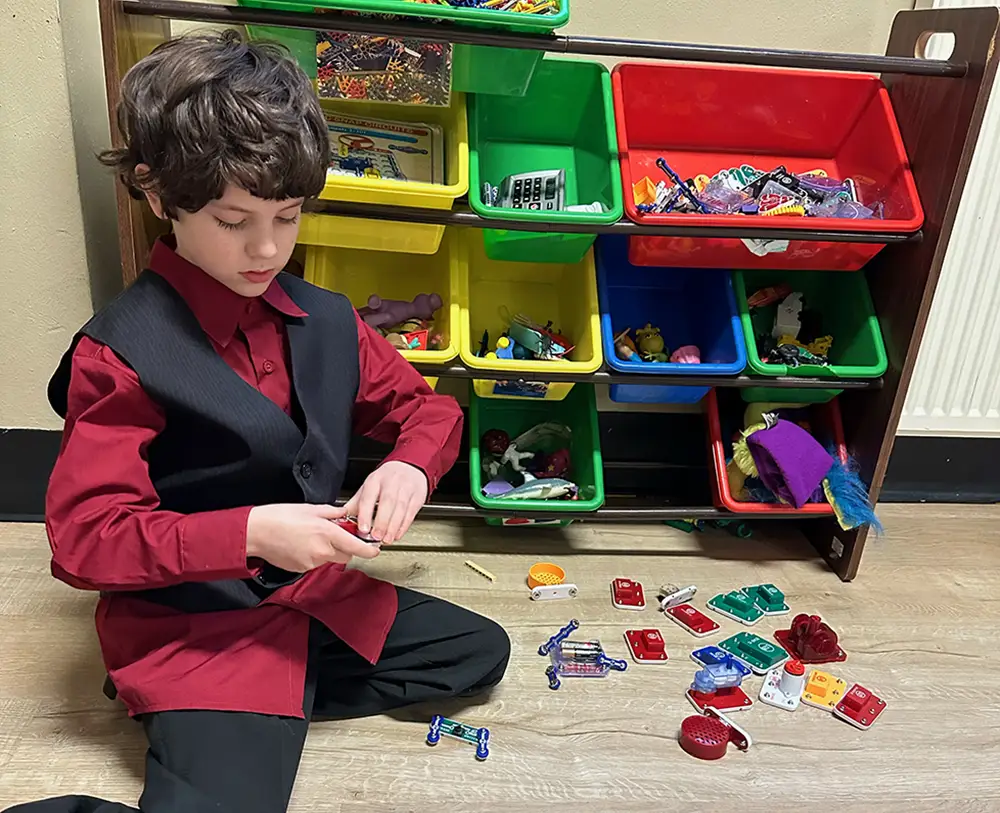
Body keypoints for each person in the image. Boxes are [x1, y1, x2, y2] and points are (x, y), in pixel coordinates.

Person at [7, 30, 509, 813]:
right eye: (233, 219)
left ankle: (264, 707)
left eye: (287, 213)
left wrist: (408, 464)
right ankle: (219, 711)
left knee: (480, 651)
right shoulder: (121, 352)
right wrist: (247, 532)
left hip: (305, 596)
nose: (267, 248)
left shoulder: (327, 319)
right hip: (191, 623)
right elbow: (84, 537)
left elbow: (427, 407)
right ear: (156, 192)